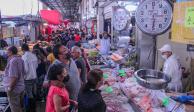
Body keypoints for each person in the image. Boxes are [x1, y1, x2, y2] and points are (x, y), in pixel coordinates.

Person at [3, 46, 25, 112]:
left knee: (15, 109)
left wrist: (10, 88)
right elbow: (23, 73)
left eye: (7, 51)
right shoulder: (20, 59)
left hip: (14, 89)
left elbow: (14, 77)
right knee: (19, 107)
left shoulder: (13, 61)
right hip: (20, 87)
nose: (6, 52)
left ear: (11, 52)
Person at [21, 44, 38, 112]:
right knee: (34, 93)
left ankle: (31, 109)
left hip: (28, 78)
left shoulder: (24, 57)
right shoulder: (33, 55)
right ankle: (34, 108)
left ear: (23, 49)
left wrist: (23, 77)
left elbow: (25, 69)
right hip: (34, 77)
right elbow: (36, 66)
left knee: (29, 94)